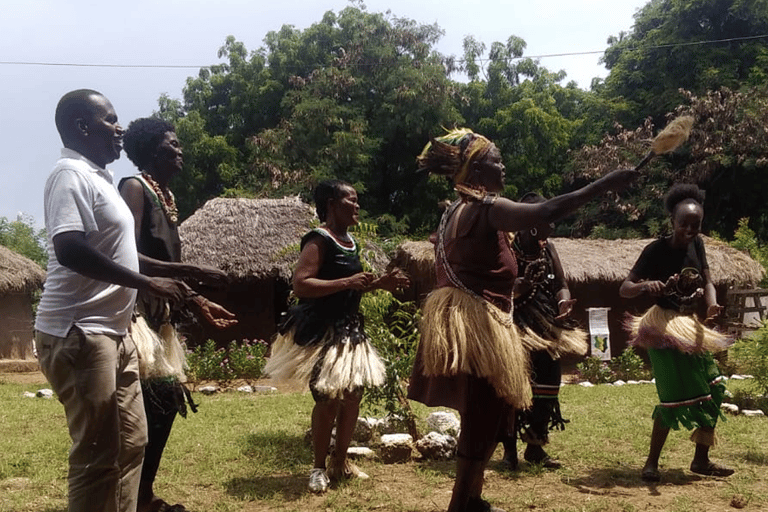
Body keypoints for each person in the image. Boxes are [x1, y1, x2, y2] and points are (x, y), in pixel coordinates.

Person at [408, 128, 638, 512]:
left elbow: (473, 271)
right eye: (497, 160)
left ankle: (474, 500)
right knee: (481, 417)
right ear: (477, 169)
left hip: (471, 323)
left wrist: (511, 292)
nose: (504, 166)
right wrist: (606, 184)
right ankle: (460, 505)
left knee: (486, 414)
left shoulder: (451, 212)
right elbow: (546, 211)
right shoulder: (486, 208)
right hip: (478, 330)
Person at [34, 89, 191, 512]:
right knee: (97, 455)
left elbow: (122, 253)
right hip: (80, 333)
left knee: (132, 443)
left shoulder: (100, 177)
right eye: (110, 119)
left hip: (115, 334)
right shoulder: (69, 174)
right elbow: (69, 248)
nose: (119, 128)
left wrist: (181, 273)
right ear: (82, 127)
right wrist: (150, 284)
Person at [119, 117, 237, 512]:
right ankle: (134, 497)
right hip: (134, 316)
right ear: (153, 150)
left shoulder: (165, 197)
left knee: (164, 404)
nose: (180, 150)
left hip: (160, 319)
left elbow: (165, 269)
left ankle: (143, 494)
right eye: (173, 144)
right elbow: (126, 256)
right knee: (151, 408)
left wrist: (198, 302)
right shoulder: (134, 188)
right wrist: (191, 271)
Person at [263, 180, 409, 493]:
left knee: (353, 397)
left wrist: (379, 284)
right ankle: (318, 468)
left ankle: (340, 462)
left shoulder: (349, 240)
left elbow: (353, 284)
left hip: (350, 330)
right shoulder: (319, 240)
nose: (357, 207)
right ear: (332, 203)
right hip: (321, 331)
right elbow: (301, 285)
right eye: (351, 201)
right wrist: (347, 281)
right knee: (327, 399)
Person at [619, 183, 733, 482]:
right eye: (684, 224)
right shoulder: (655, 250)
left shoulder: (698, 245)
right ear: (672, 221)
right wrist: (646, 286)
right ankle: (651, 463)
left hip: (690, 327)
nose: (690, 230)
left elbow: (708, 280)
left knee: (715, 387)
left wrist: (711, 304)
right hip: (662, 328)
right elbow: (625, 289)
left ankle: (701, 460)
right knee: (671, 398)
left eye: (696, 225)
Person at [499, 192, 588, 471]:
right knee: (514, 388)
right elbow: (493, 286)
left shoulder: (548, 248)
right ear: (531, 221)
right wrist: (516, 288)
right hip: (513, 326)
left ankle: (535, 447)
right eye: (548, 222)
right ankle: (509, 450)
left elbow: (561, 282)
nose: (551, 228)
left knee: (548, 383)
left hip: (545, 326)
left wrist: (563, 300)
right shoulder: (507, 247)